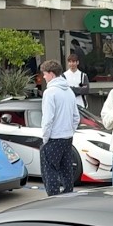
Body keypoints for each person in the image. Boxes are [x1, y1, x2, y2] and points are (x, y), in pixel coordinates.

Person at [38, 59, 80, 196]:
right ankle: (68, 196)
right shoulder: (69, 91)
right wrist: (70, 131)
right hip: (67, 138)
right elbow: (76, 117)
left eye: (44, 74)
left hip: (54, 138)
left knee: (50, 172)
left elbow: (48, 118)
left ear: (51, 74)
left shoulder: (50, 93)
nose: (43, 77)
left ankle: (53, 200)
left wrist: (45, 137)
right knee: (66, 171)